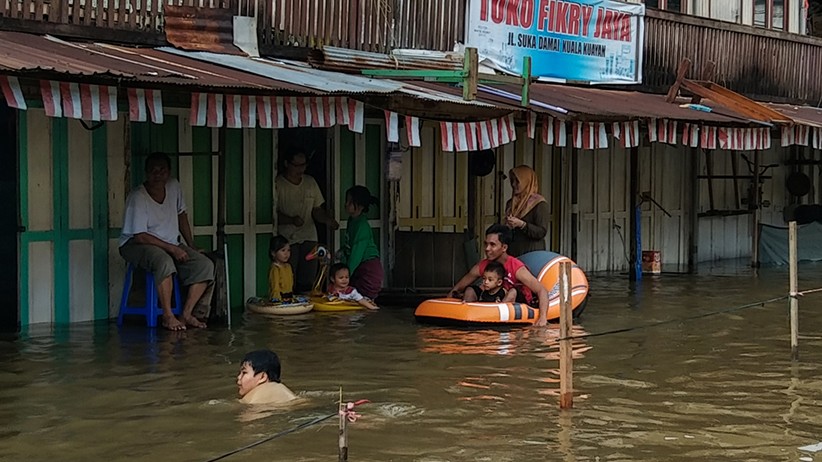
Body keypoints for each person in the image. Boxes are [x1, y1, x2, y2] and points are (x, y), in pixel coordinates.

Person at [119, 152, 214, 331]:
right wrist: (172, 249)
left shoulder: (174, 186)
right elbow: (140, 236)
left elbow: (181, 215)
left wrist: (190, 245)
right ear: (146, 173)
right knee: (163, 261)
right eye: (153, 171)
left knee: (204, 265)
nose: (157, 174)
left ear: (169, 172)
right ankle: (168, 316)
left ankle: (186, 313)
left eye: (162, 170)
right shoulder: (137, 197)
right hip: (135, 244)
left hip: (169, 242)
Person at [448, 224, 550, 326]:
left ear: (504, 247)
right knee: (470, 290)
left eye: (492, 245)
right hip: (493, 300)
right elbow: (458, 288)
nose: (487, 248)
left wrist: (542, 318)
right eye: (486, 244)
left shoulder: (516, 267)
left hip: (514, 305)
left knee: (512, 292)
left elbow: (541, 290)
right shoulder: (483, 265)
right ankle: (468, 325)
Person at [276, 150, 339, 293]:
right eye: (296, 165)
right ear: (287, 164)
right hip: (287, 239)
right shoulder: (278, 184)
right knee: (287, 277)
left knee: (308, 279)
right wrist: (290, 220)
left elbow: (317, 210)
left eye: (303, 165)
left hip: (309, 237)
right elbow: (272, 214)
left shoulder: (310, 182)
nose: (300, 169)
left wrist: (328, 220)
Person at [339, 185, 383, 300]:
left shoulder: (362, 226)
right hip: (358, 269)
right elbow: (350, 244)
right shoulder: (352, 220)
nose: (346, 204)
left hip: (368, 271)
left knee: (361, 301)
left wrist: (345, 275)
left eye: (349, 202)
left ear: (360, 206)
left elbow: (356, 254)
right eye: (346, 201)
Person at [504, 165, 550, 257]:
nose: (513, 184)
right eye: (512, 181)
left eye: (517, 181)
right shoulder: (511, 203)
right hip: (513, 254)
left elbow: (541, 232)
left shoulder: (539, 203)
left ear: (527, 182)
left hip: (532, 254)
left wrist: (522, 224)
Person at [268, 235, 294, 302]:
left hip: (289, 298)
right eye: (283, 250)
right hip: (279, 299)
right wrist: (277, 300)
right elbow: (275, 287)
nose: (286, 254)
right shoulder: (275, 269)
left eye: (288, 250)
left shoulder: (288, 267)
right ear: (273, 253)